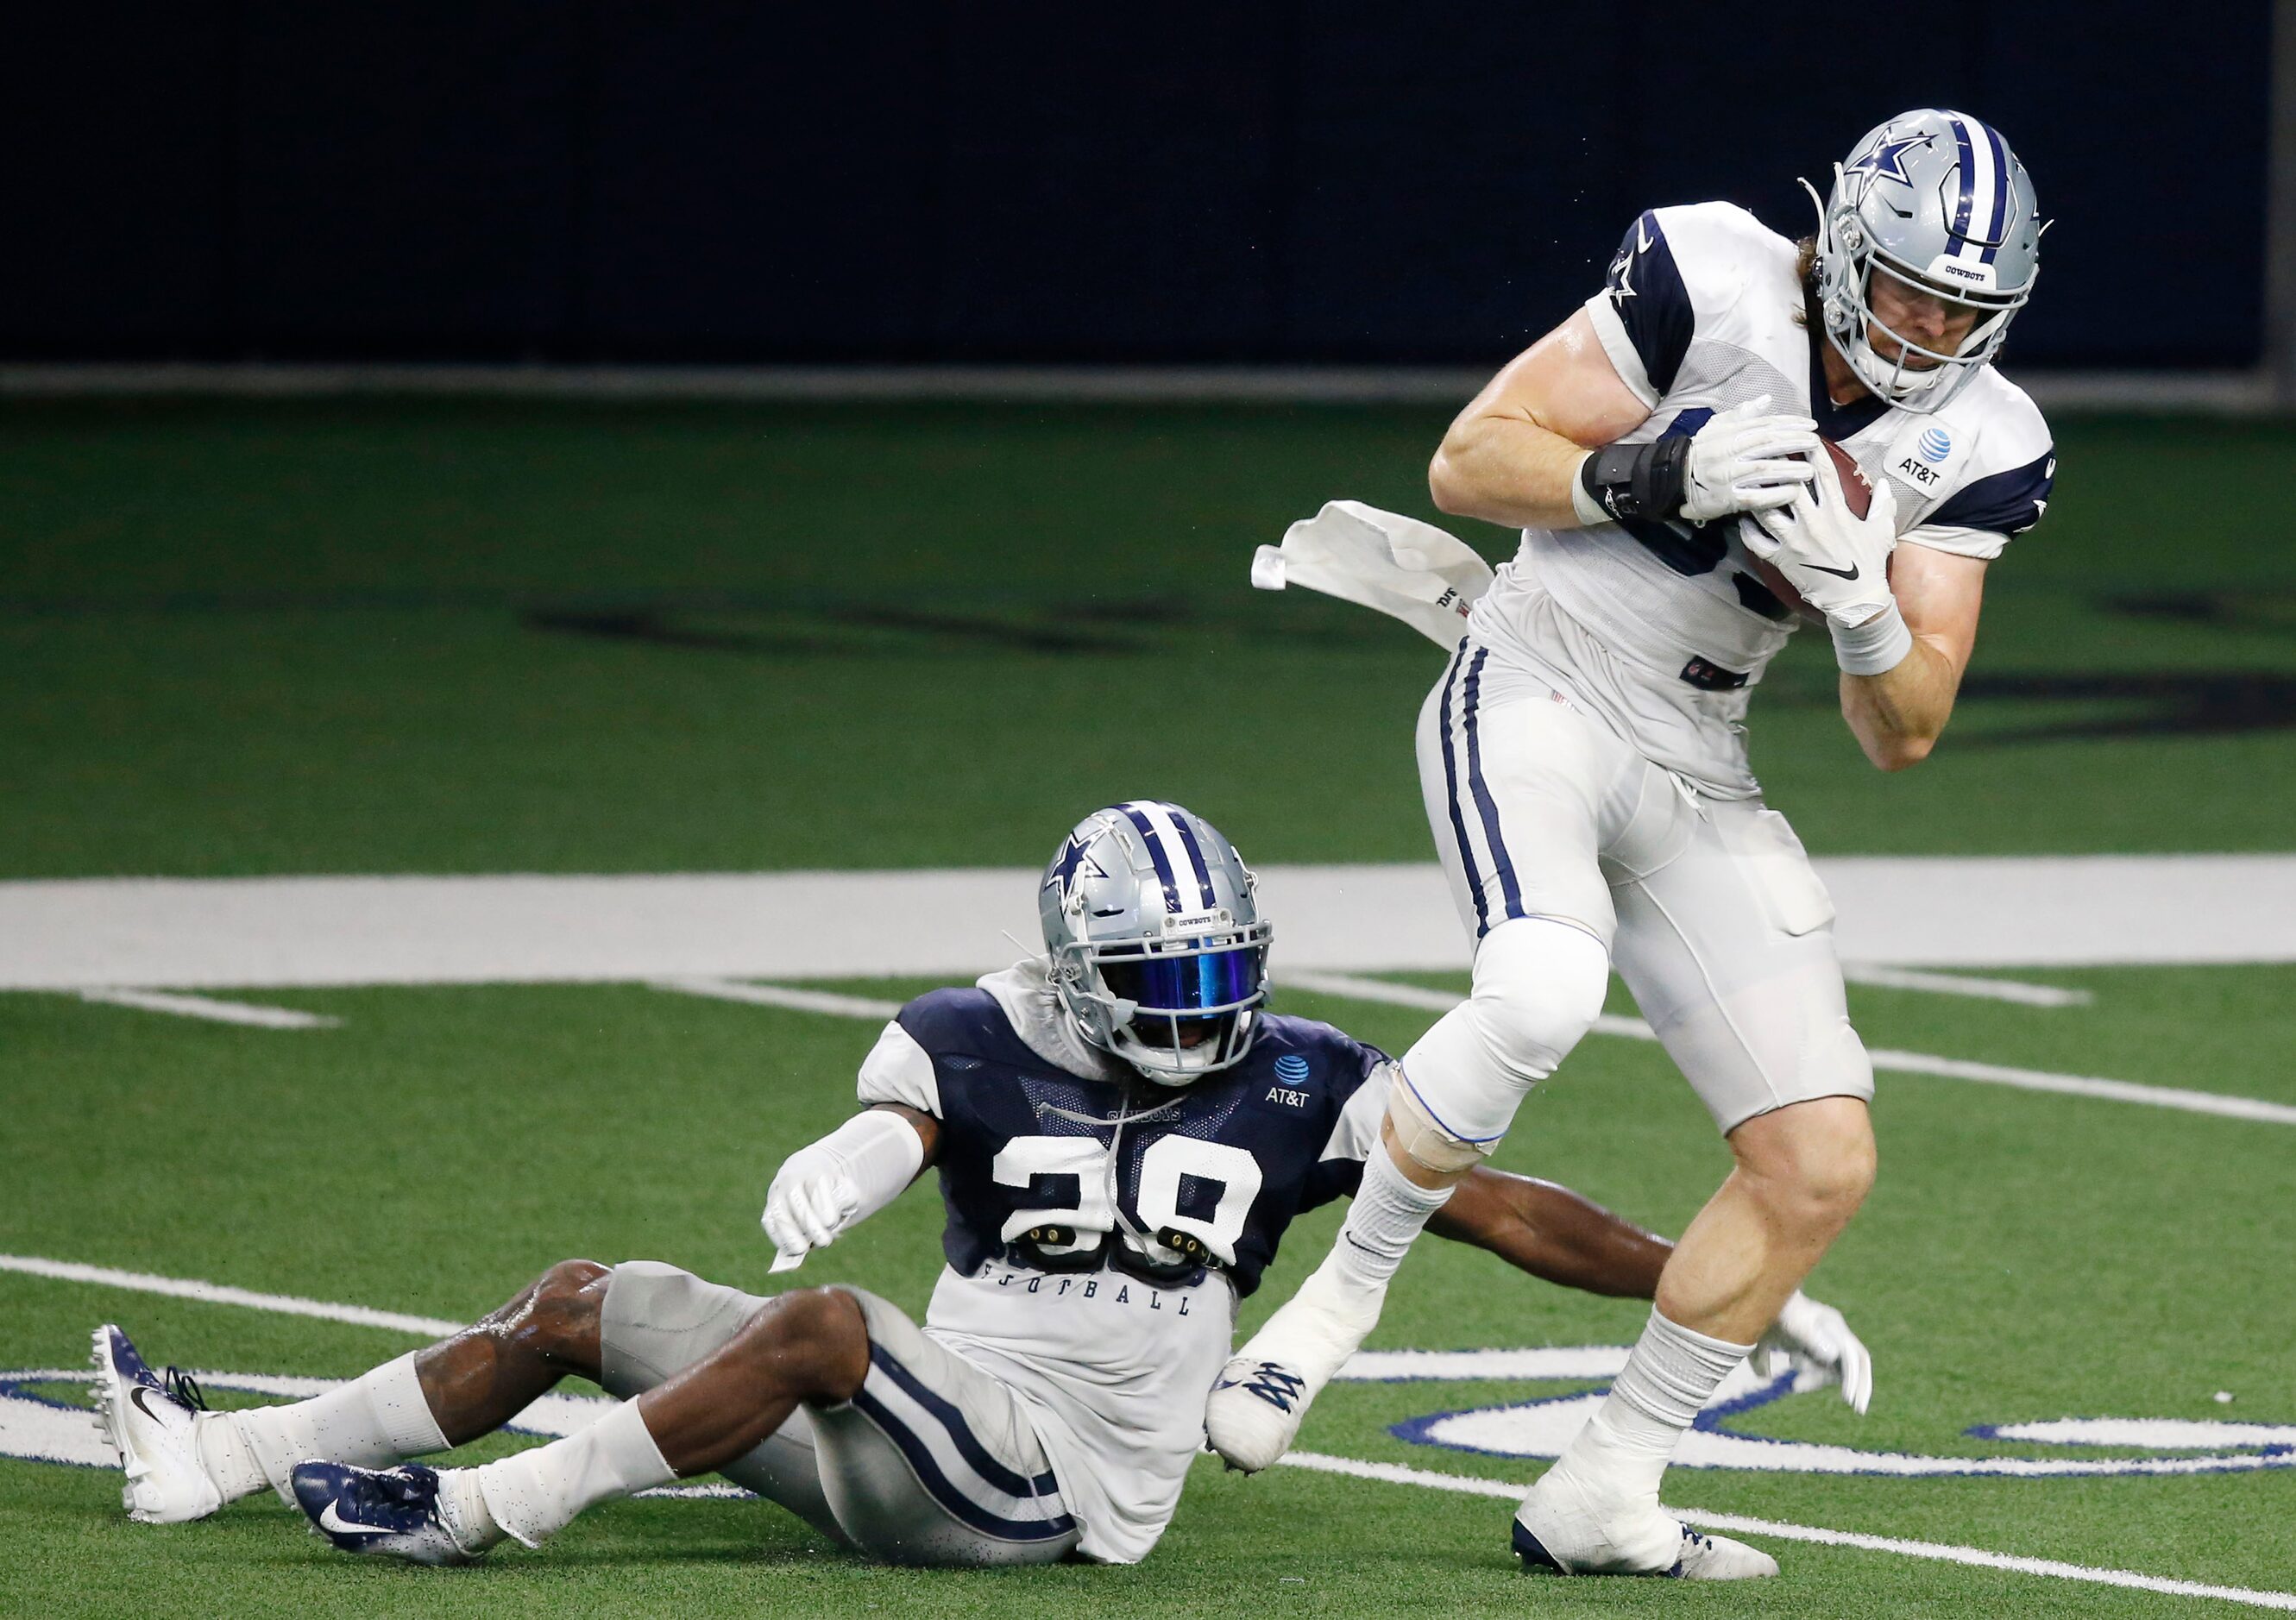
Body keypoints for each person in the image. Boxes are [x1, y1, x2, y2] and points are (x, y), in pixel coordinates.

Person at [91, 801, 1866, 1571]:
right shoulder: (972, 1032)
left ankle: (486, 1520)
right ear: (1075, 967)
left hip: (1070, 1483)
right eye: (1158, 982)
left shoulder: (1304, 1072)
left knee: (827, 1325)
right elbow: (906, 1127)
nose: (1199, 1015)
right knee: (586, 1299)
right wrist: (854, 1152)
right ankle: (215, 1459)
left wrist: (1720, 1278)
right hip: (923, 1423)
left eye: (1211, 974)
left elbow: (1503, 1206)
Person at [1207, 110, 2051, 1581]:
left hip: (1697, 754)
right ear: (1843, 244)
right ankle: (1338, 1298)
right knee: (1538, 989)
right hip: (1537, 674)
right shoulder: (1711, 273)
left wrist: (1862, 611)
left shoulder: (1985, 436)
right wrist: (1653, 471)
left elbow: (1902, 728)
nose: (1927, 332)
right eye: (1910, 290)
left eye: (1964, 310)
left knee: (1817, 1158)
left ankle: (1605, 1486)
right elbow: (1471, 460)